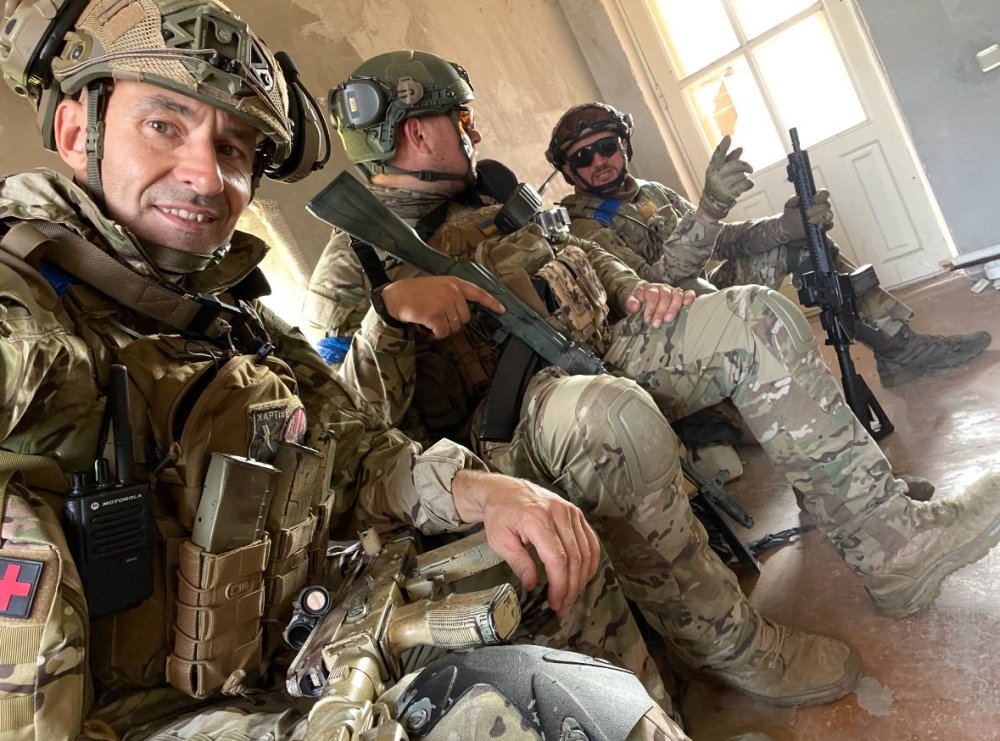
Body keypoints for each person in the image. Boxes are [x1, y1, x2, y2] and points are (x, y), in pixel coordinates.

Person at [0, 3, 685, 739]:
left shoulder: (231, 313)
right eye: (163, 125)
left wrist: (478, 488)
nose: (205, 175)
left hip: (306, 627)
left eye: (233, 148)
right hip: (153, 716)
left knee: (545, 555)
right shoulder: (29, 309)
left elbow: (354, 444)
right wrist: (387, 319)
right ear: (74, 131)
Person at [305, 48, 1000, 710]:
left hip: (597, 345)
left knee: (757, 317)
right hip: (509, 424)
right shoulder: (351, 265)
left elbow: (574, 249)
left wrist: (633, 288)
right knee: (613, 417)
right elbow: (361, 429)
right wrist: (387, 318)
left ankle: (894, 546)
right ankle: (730, 645)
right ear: (417, 132)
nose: (474, 132)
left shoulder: (491, 193)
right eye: (462, 118)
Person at [544, 102, 992, 389]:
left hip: (704, 295)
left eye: (606, 147)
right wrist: (708, 210)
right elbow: (653, 287)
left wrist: (784, 226)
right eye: (582, 156)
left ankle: (899, 348)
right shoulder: (580, 227)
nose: (598, 161)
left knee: (805, 244)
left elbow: (723, 241)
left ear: (624, 145)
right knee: (699, 289)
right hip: (665, 330)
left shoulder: (652, 193)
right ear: (567, 171)